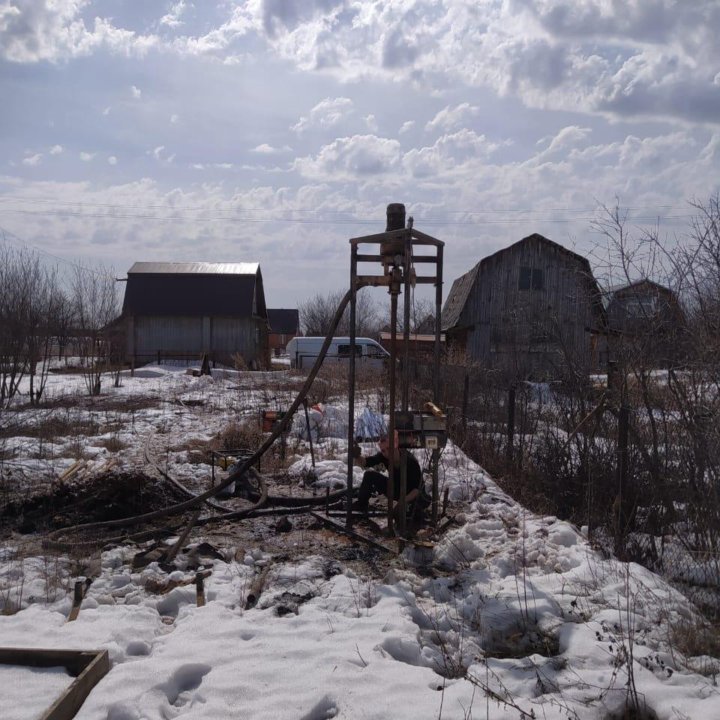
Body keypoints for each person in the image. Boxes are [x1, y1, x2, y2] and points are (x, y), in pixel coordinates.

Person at [353, 432, 427, 518]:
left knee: (412, 514)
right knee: (369, 475)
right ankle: (361, 505)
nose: (387, 452)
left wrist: (401, 504)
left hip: (413, 495)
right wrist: (357, 456)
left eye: (389, 448)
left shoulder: (410, 461)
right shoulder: (384, 456)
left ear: (395, 445)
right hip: (397, 490)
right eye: (383, 450)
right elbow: (366, 462)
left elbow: (417, 490)